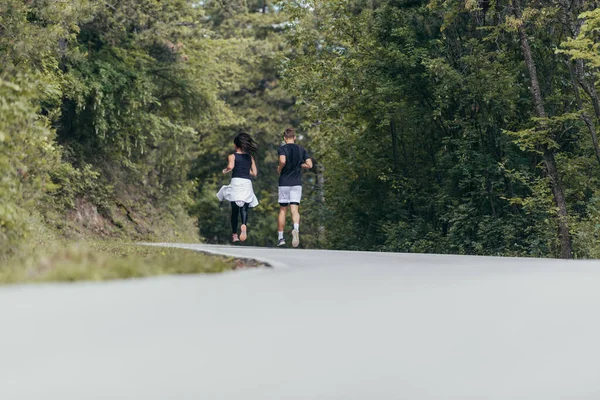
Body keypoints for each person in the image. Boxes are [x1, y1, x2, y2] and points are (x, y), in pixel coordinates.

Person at [217, 133, 259, 243]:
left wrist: (225, 170)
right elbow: (254, 173)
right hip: (246, 183)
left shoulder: (232, 156)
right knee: (244, 208)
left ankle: (235, 234)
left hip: (236, 183)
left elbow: (231, 166)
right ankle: (244, 224)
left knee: (234, 211)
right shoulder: (250, 157)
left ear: (236, 145)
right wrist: (246, 170)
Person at [277, 128, 312, 247]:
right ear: (295, 137)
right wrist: (299, 164)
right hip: (297, 183)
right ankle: (296, 228)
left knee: (283, 210)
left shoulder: (282, 148)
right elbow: (310, 164)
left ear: (285, 138)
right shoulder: (301, 149)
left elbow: (282, 160)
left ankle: (281, 238)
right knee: (295, 210)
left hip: (284, 183)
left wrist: (280, 168)